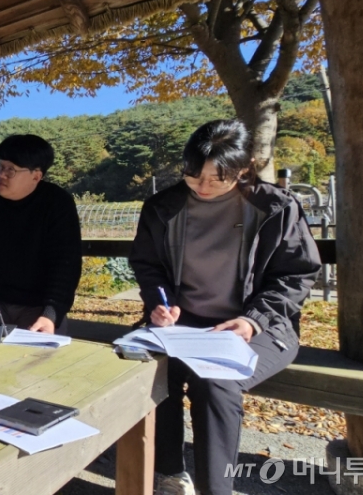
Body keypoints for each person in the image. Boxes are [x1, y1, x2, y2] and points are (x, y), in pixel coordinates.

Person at [129, 120, 320, 495]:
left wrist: (253, 321)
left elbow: (296, 276)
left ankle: (216, 488)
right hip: (183, 326)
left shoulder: (276, 207)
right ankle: (168, 473)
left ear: (244, 168)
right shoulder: (162, 207)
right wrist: (159, 303)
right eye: (193, 174)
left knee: (215, 382)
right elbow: (148, 266)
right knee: (148, 368)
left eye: (218, 178)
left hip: (261, 326)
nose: (202, 186)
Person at [0, 134, 82, 333]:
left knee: (41, 361)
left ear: (36, 176)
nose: (1, 174)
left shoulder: (57, 203)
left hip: (39, 306)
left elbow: (66, 263)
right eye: (0, 165)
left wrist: (51, 314)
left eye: (11, 170)